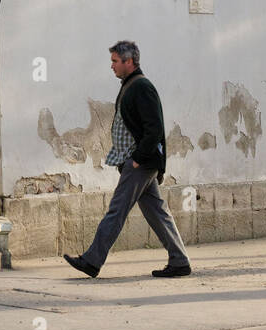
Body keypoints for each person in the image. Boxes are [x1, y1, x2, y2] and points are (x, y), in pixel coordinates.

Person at [64, 41, 192, 279]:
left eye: (115, 61)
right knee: (157, 212)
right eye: (112, 61)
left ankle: (92, 261)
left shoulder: (141, 87)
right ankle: (179, 261)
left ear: (129, 61)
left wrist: (137, 159)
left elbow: (154, 129)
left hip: (140, 163)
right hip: (139, 162)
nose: (111, 66)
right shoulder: (131, 85)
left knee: (116, 210)